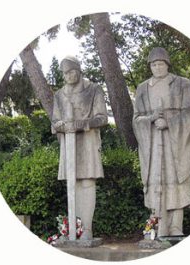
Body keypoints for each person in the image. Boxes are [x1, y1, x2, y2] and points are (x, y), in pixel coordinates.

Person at [133, 47, 190, 237]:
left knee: (176, 179)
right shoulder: (142, 88)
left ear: (167, 64)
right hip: (152, 144)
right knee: (155, 181)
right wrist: (150, 119)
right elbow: (136, 118)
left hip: (175, 144)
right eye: (153, 64)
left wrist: (168, 122)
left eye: (160, 63)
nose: (157, 67)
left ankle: (176, 226)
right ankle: (157, 226)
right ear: (149, 66)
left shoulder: (182, 83)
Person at [51, 56, 108, 240]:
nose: (68, 75)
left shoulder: (93, 89)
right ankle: (72, 229)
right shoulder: (59, 95)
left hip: (88, 142)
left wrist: (81, 124)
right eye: (65, 73)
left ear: (79, 70)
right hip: (68, 143)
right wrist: (62, 125)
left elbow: (102, 118)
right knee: (71, 183)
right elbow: (55, 120)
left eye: (71, 71)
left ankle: (87, 229)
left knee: (87, 182)